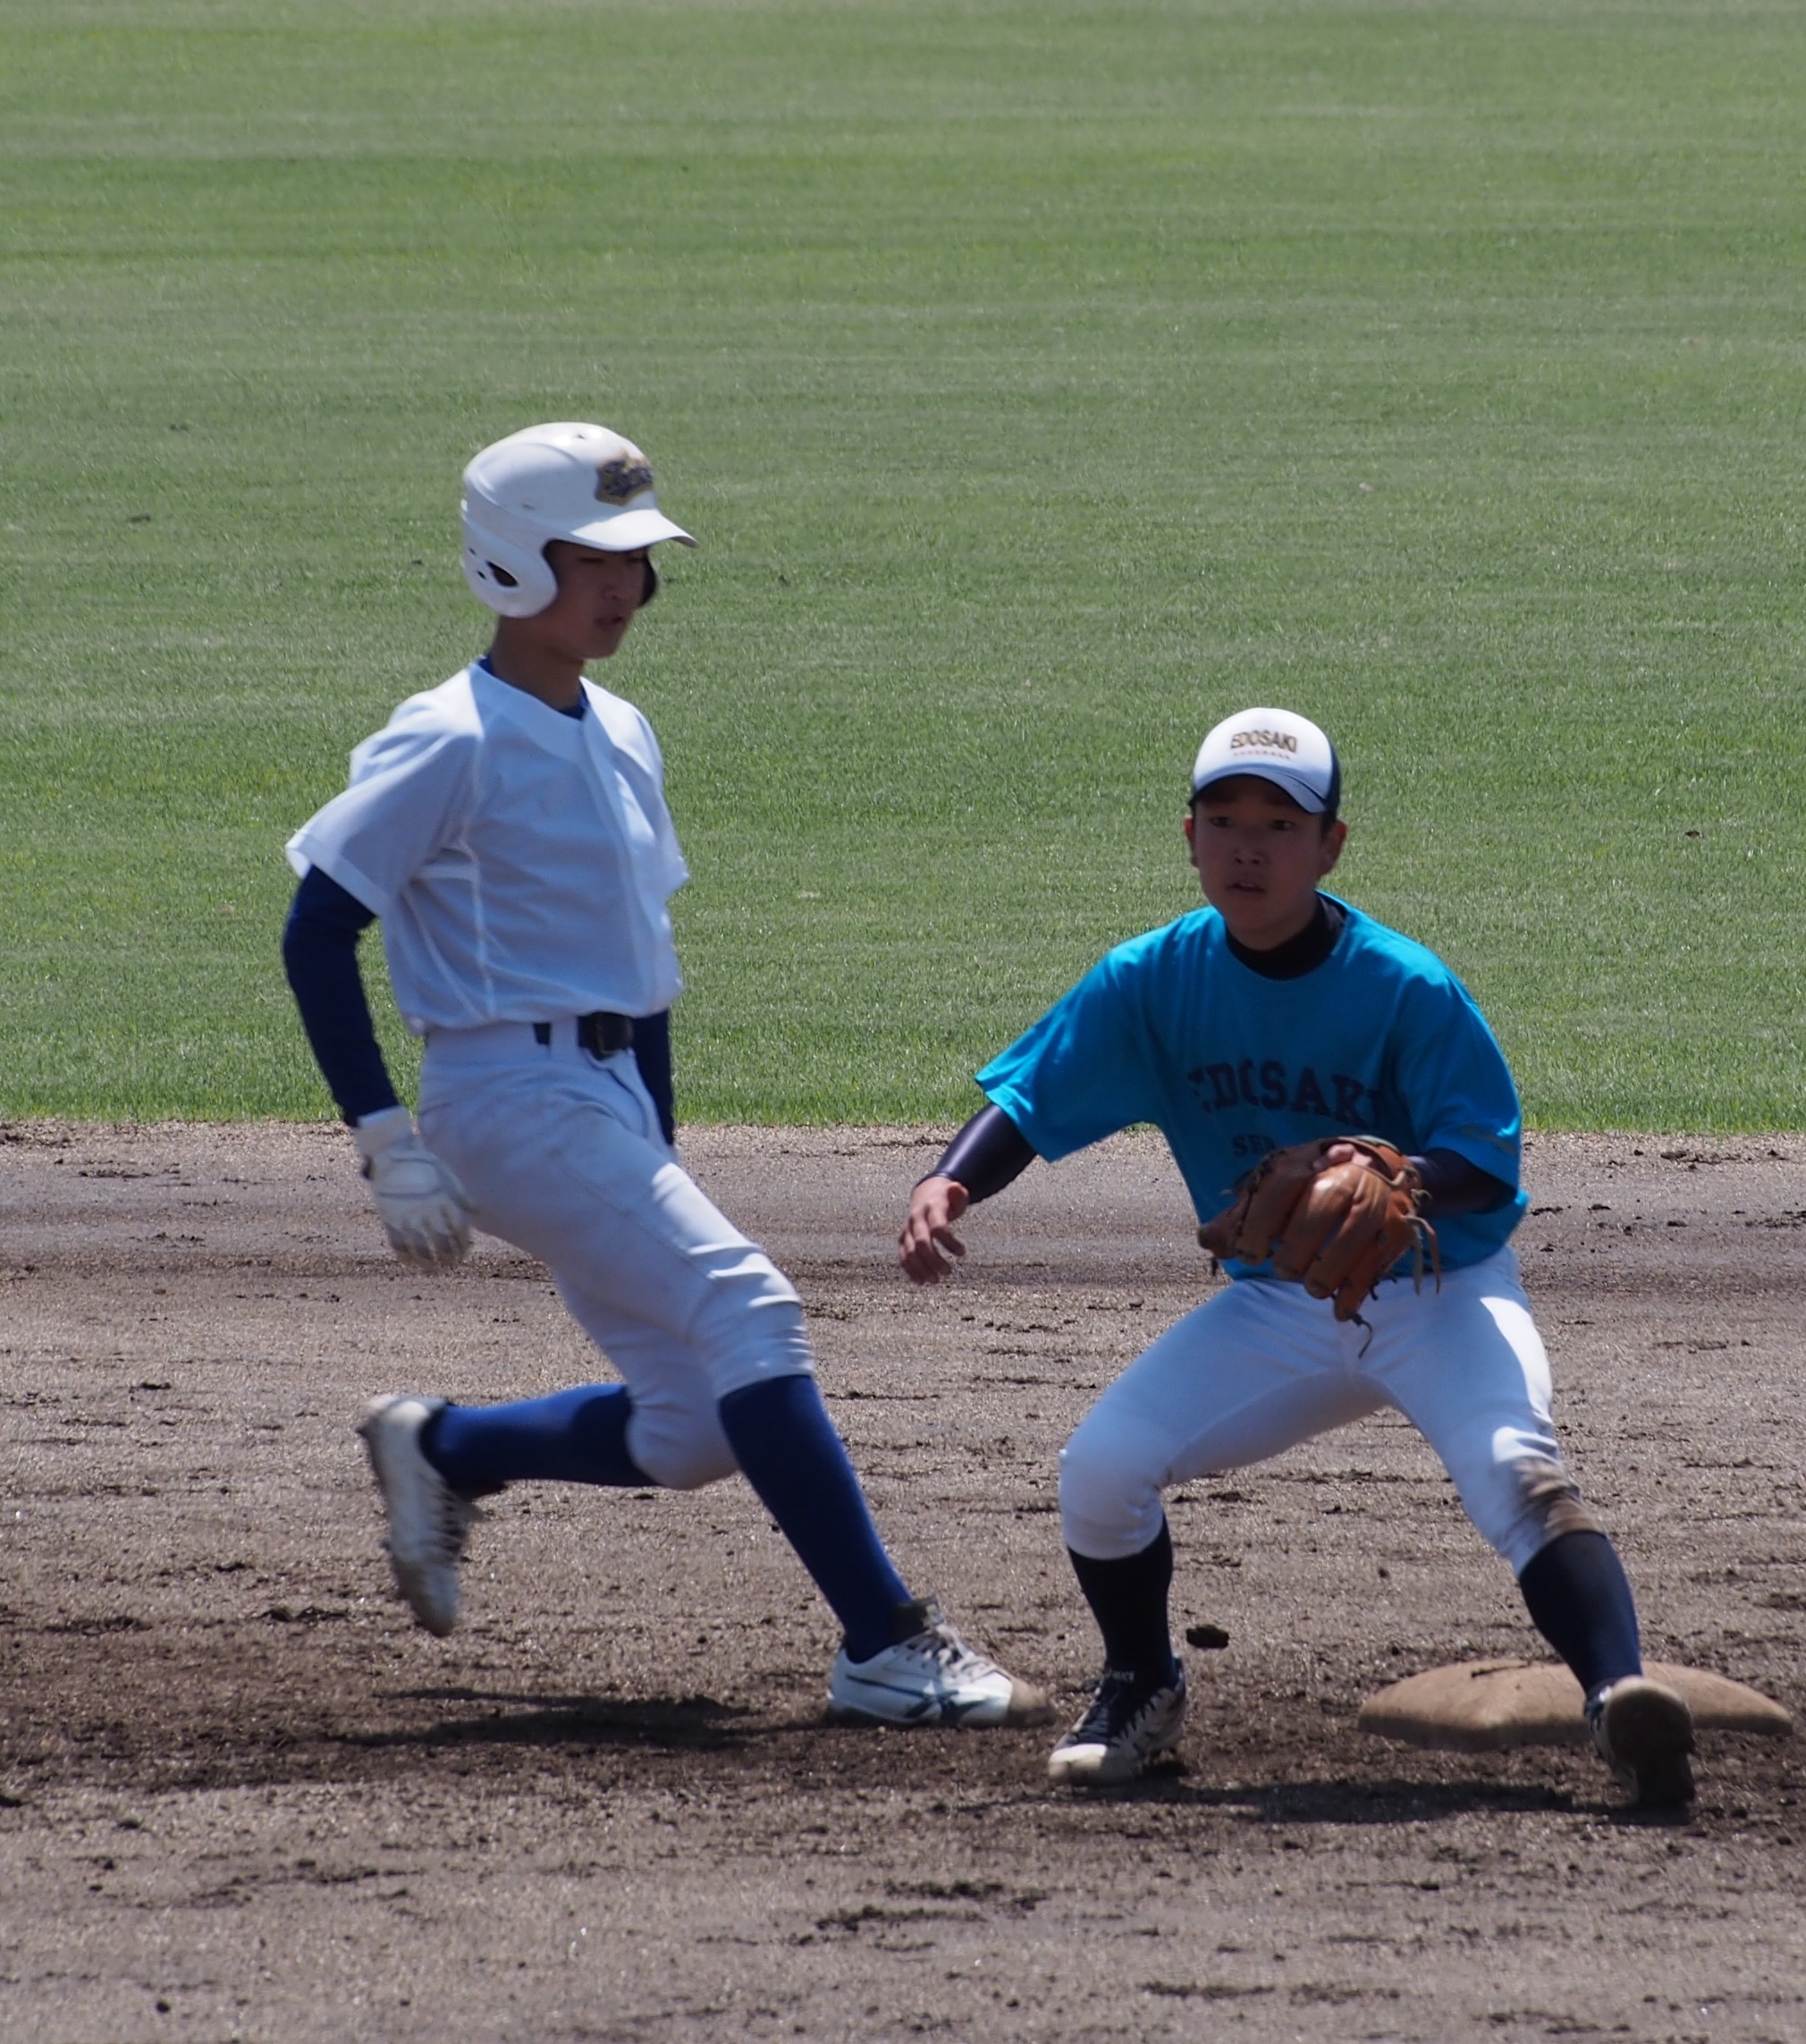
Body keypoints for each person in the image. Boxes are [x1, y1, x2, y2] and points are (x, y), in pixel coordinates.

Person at [282, 421, 1042, 1728]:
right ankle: (885, 1641)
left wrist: (659, 1147)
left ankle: (442, 1445)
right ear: (514, 562)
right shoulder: (446, 737)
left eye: (638, 561)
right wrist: (385, 1138)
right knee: (753, 1309)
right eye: (597, 559)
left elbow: (641, 970)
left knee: (694, 1424)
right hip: (504, 1099)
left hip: (605, 1102)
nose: (626, 586)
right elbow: (316, 929)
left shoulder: (625, 729)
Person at [895, 706, 1695, 1803]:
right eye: (1225, 821)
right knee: (1102, 1472)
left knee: (1517, 1470)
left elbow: (1487, 1163)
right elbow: (1033, 1099)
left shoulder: (1406, 986)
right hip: (1280, 1307)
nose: (1249, 848)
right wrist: (949, 1180)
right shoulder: (1151, 980)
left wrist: (1400, 1180)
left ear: (1331, 846)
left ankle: (1620, 1702)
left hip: (1439, 1290)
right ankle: (1142, 1684)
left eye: (1280, 824)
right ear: (1190, 839)